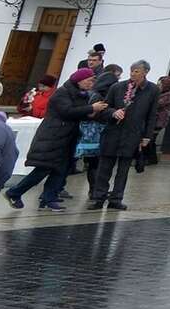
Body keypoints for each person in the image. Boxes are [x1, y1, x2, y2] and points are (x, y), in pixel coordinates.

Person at [6, 70, 100, 210]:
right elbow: (66, 112)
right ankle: (14, 192)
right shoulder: (62, 92)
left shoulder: (82, 94)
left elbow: (77, 113)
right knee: (43, 169)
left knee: (61, 170)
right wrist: (90, 108)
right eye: (89, 80)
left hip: (68, 137)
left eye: (93, 81)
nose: (91, 84)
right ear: (80, 80)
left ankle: (48, 198)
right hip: (53, 136)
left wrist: (91, 113)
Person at [89, 60, 158, 210]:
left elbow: (152, 114)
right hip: (113, 132)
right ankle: (99, 197)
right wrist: (113, 112)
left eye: (137, 71)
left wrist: (147, 136)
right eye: (132, 70)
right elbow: (104, 108)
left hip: (133, 134)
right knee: (104, 167)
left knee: (123, 169)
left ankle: (116, 198)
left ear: (145, 72)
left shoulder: (152, 90)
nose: (133, 73)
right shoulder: (117, 87)